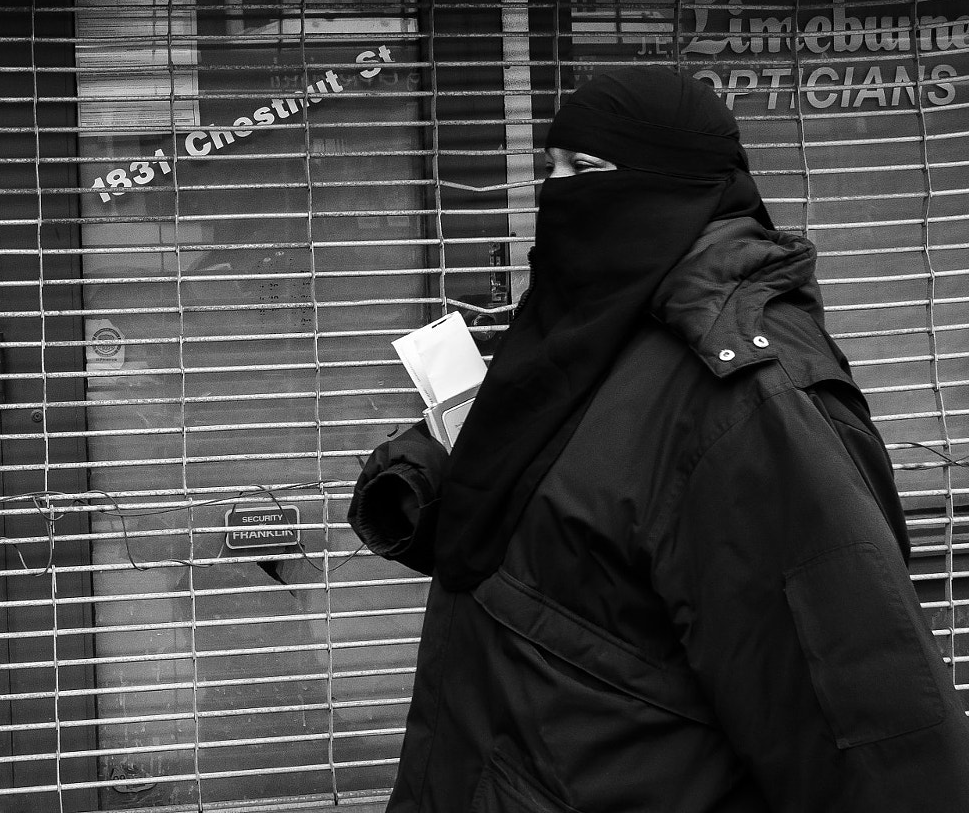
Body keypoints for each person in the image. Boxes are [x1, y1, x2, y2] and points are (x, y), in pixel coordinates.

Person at [349, 65, 969, 812]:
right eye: (552, 168)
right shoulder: (584, 328)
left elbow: (861, 721)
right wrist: (421, 472)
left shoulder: (747, 403)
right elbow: (550, 502)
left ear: (674, 183)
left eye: (586, 169)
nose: (556, 193)